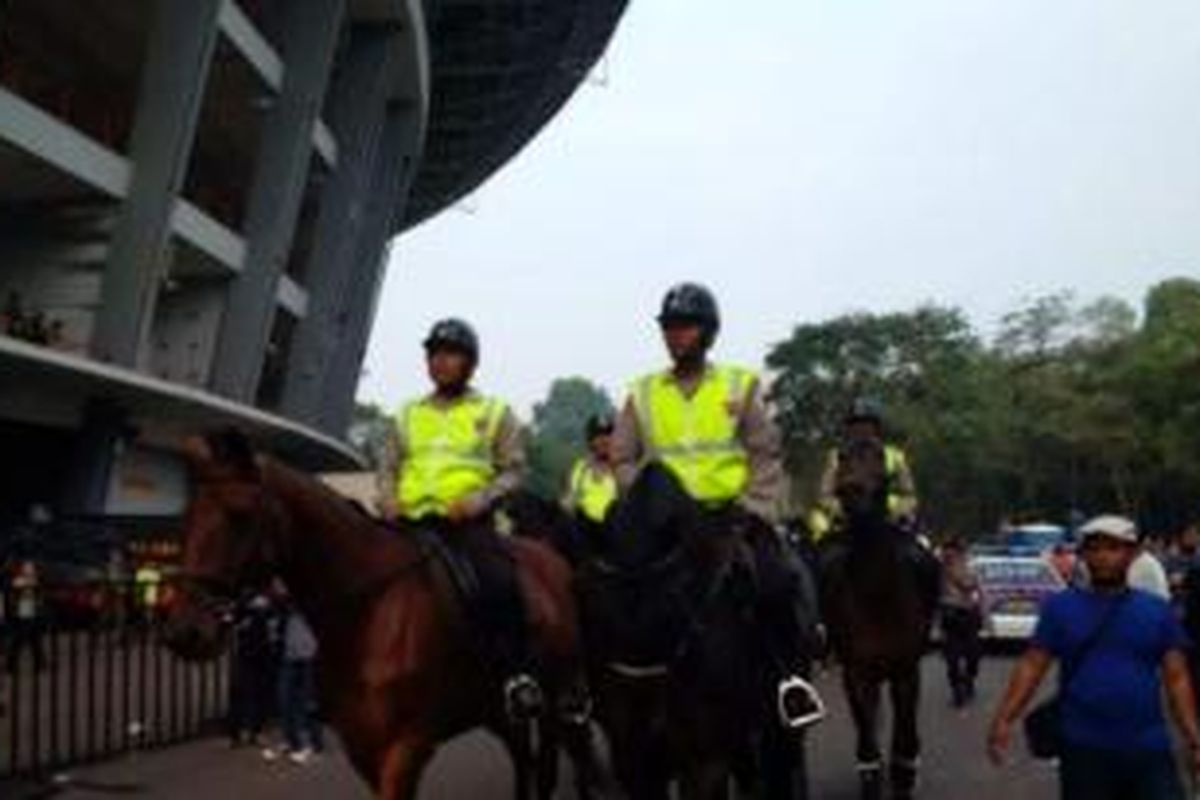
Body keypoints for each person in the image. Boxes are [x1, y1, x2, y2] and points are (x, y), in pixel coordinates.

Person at [611, 282, 822, 728]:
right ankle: (611, 691)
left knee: (778, 580)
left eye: (685, 327)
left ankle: (790, 683)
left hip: (732, 519)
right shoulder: (642, 391)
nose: (675, 335)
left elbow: (765, 452)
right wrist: (644, 500)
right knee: (612, 588)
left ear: (708, 332)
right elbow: (623, 457)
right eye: (669, 327)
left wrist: (753, 506)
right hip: (666, 527)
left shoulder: (739, 385)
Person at [376, 318, 541, 719]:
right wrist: (387, 499)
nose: (441, 362)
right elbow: (387, 466)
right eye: (434, 354)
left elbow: (516, 471)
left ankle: (517, 678)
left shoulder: (494, 412)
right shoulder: (406, 414)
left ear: (470, 363)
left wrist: (480, 500)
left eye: (451, 354)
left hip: (465, 526)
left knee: (501, 581)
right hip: (409, 524)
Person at [988, 515, 1200, 800]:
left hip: (1148, 748)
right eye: (1095, 548)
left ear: (1132, 553)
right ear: (1084, 554)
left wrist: (1192, 736)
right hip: (1083, 748)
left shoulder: (1156, 611)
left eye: (1114, 548)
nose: (1103, 556)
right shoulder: (1060, 608)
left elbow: (1177, 678)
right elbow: (1032, 665)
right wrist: (1004, 718)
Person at [815, 399, 941, 612]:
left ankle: (932, 614)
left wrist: (896, 511)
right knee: (821, 561)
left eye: (866, 424)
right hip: (850, 521)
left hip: (889, 521)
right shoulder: (837, 456)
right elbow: (824, 494)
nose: (861, 430)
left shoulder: (895, 456)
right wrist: (842, 510)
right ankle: (818, 618)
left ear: (876, 427)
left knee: (926, 558)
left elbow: (909, 494)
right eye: (856, 425)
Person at [263, 583, 323, 765]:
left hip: (309, 654)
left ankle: (313, 745)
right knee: (284, 700)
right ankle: (292, 742)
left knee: (309, 703)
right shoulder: (281, 605)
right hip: (290, 655)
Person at [228, 588, 278, 748]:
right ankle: (239, 733)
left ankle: (255, 732)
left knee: (259, 694)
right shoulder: (245, 599)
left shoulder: (270, 599)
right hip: (248, 653)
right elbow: (233, 619)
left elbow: (275, 621)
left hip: (262, 653)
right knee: (242, 693)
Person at [939, 538, 983, 708]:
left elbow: (973, 587)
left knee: (973, 654)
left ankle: (969, 679)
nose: (948, 555)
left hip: (970, 614)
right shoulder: (939, 568)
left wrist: (985, 618)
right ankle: (957, 689)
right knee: (952, 657)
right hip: (950, 614)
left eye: (952, 552)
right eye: (946, 552)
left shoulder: (971, 566)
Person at [561, 413, 618, 538]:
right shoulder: (580, 469)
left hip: (617, 530)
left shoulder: (623, 469)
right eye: (598, 436)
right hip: (586, 533)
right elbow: (569, 502)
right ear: (590, 441)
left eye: (608, 434)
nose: (604, 440)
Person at [6, 560, 45, 673]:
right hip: (25, 608)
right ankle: (13, 664)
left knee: (31, 638)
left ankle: (39, 662)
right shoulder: (21, 580)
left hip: (28, 608)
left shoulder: (23, 580)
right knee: (25, 638)